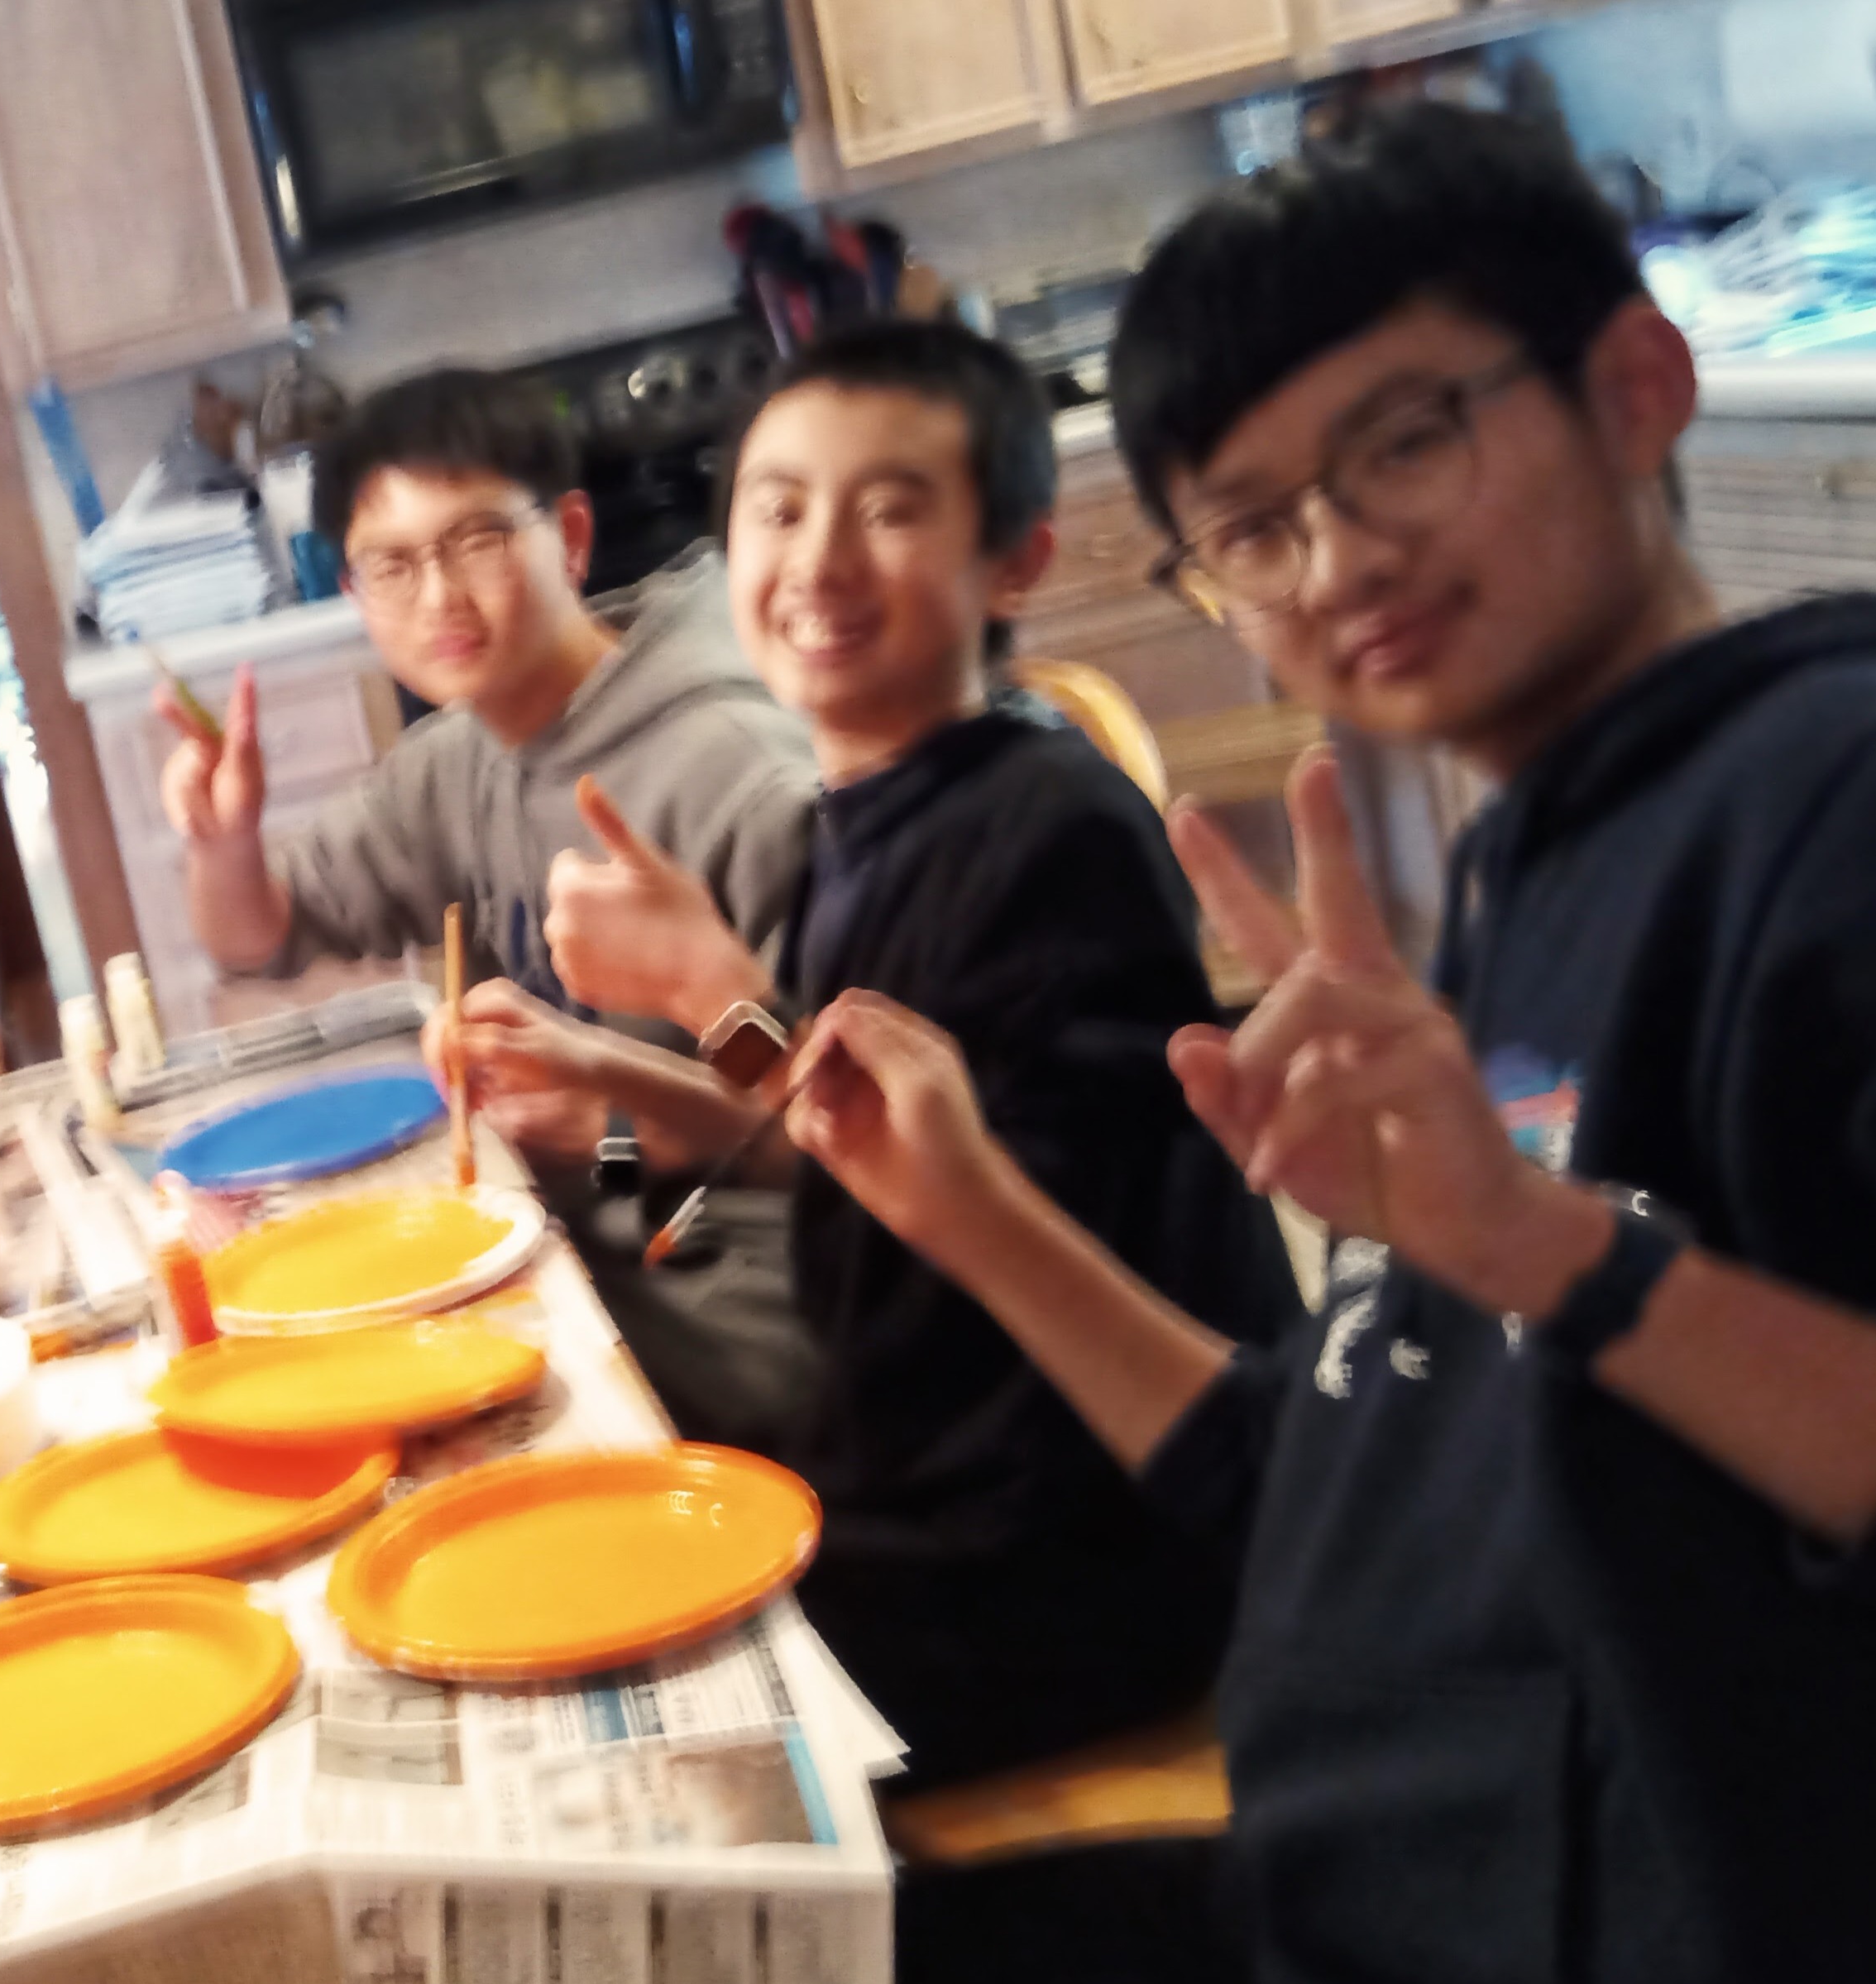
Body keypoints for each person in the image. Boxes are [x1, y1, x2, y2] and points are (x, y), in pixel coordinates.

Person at [772, 104, 1876, 1982]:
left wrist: (1562, 1256)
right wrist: (969, 1212)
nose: (1333, 558)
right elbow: (1334, 1472)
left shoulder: (1864, 792)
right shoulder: (1532, 854)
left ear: (1635, 386)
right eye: (1253, 525)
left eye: (1402, 441)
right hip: (1341, 1875)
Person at [468, 321, 1296, 1824]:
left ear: (1013, 560)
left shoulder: (1050, 827)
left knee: (576, 1731)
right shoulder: (871, 807)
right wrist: (624, 1084)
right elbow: (865, 1131)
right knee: (524, 1520)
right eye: (779, 507)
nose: (819, 560)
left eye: (890, 508)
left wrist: (708, 991)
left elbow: (994, 1207)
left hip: (1062, 1545)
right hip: (914, 1461)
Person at [163, 368, 821, 1437]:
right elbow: (258, 936)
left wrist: (615, 1127)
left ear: (570, 538)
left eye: (474, 541)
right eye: (392, 564)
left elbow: (849, 1133)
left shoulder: (735, 771)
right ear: (354, 591)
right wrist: (221, 843)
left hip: (750, 1289)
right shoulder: (458, 759)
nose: (438, 597)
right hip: (576, 1243)